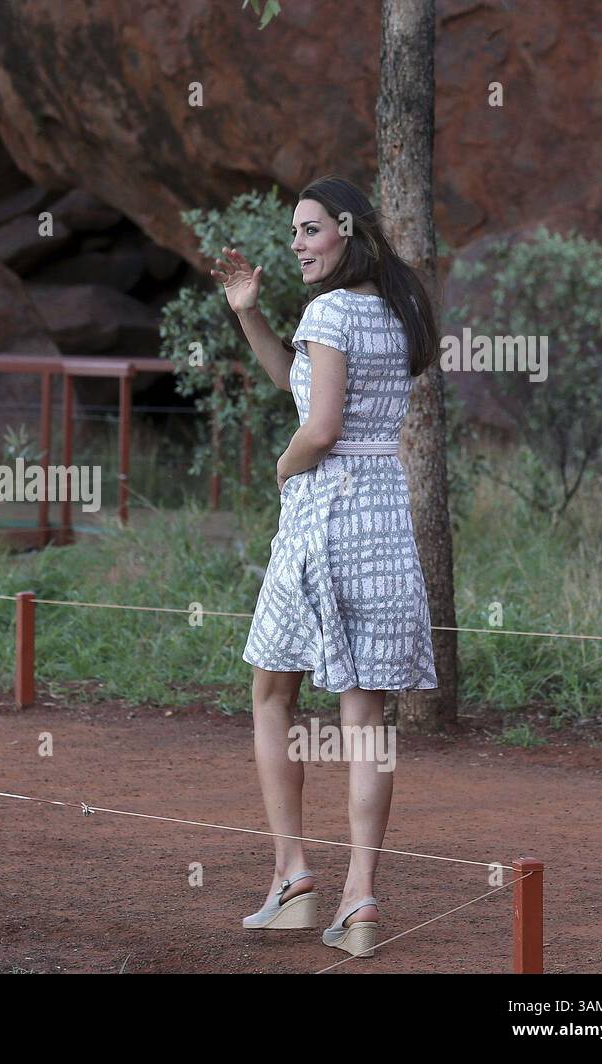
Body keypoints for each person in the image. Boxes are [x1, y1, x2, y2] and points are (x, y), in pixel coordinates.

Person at [209, 175, 441, 958]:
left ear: (346, 230)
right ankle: (360, 899)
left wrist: (282, 468)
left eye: (309, 231)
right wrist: (248, 312)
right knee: (364, 715)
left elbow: (320, 425)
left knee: (272, 690)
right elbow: (295, 378)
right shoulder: (395, 311)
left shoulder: (332, 310)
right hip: (384, 523)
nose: (297, 245)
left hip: (324, 519)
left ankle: (291, 874)